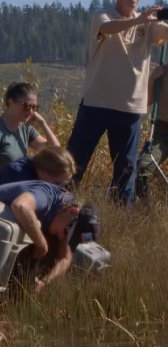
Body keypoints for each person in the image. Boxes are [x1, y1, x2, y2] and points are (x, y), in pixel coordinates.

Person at [66, 0, 168, 206]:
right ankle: (56, 200)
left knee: (126, 169)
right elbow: (108, 29)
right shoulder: (103, 15)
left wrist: (160, 17)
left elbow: (163, 34)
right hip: (97, 102)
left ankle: (121, 213)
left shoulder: (150, 23)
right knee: (73, 162)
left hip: (130, 108)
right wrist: (140, 19)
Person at [0, 181, 100, 292]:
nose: (61, 236)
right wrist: (42, 245)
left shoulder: (65, 216)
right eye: (66, 231)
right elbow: (20, 206)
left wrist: (43, 282)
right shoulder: (46, 196)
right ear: (73, 211)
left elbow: (65, 257)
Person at [0, 82, 60, 188]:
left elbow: (55, 151)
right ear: (11, 102)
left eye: (35, 108)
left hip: (11, 190)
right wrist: (4, 187)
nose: (31, 111)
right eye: (27, 106)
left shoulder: (26, 129)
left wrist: (42, 123)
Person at [137, 64, 168, 199]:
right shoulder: (162, 73)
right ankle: (142, 210)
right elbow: (147, 101)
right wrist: (152, 80)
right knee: (142, 167)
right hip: (162, 130)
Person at [0, 146, 76, 189]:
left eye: (63, 185)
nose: (60, 188)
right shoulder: (19, 175)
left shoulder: (37, 169)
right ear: (42, 172)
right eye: (57, 183)